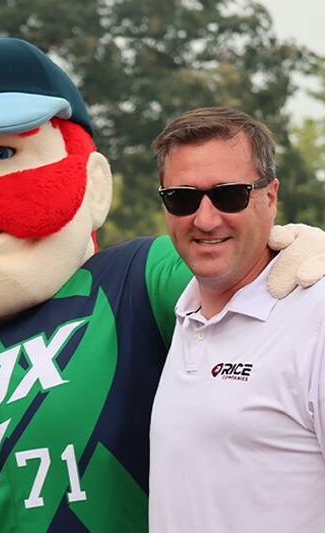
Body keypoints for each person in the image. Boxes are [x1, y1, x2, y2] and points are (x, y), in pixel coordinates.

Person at [0, 37, 325, 531]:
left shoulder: (136, 276)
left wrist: (285, 249)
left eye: (1, 152)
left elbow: (225, 266)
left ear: (93, 182)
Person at [149, 107, 325, 533]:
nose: (205, 220)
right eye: (182, 198)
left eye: (230, 195)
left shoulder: (316, 315)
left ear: (270, 196)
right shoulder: (183, 313)